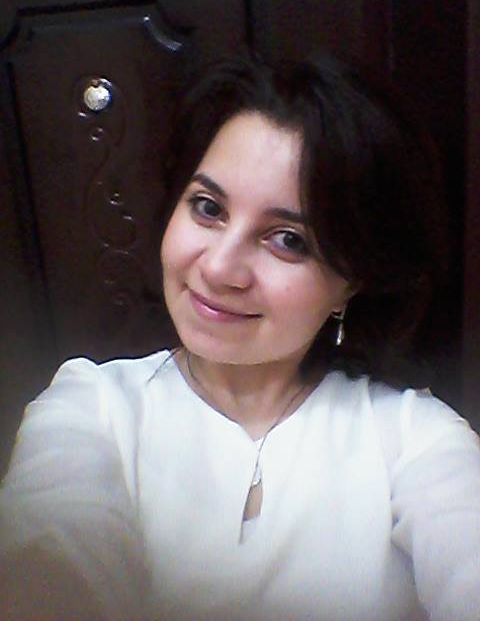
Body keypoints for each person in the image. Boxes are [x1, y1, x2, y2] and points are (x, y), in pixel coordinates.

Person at [1, 54, 479, 621]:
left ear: (353, 280)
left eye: (288, 240)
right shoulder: (92, 407)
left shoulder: (413, 439)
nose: (219, 267)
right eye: (207, 208)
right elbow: (48, 568)